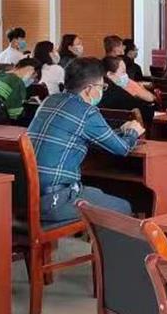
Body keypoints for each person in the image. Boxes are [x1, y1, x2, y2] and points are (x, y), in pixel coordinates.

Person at [27, 58, 145, 224]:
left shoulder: (50, 100)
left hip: (27, 195)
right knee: (123, 207)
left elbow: (81, 132)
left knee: (96, 193)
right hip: (55, 201)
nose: (102, 91)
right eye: (102, 87)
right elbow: (123, 148)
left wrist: (120, 131)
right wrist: (133, 132)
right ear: (89, 89)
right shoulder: (86, 111)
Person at [99, 55, 157, 126]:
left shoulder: (97, 90)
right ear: (110, 74)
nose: (126, 75)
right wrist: (136, 87)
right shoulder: (119, 94)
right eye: (123, 72)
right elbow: (149, 107)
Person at [0, 57, 39, 123]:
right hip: (7, 122)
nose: (32, 79)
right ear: (29, 69)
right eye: (33, 75)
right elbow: (15, 115)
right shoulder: (17, 82)